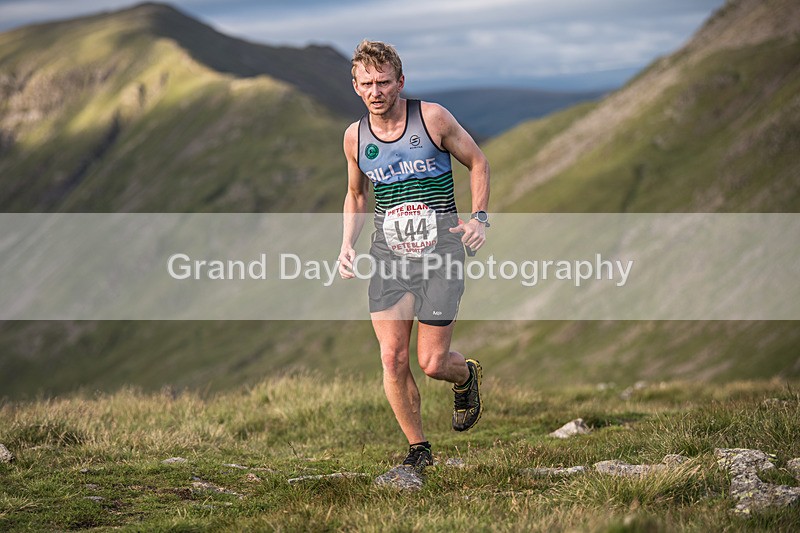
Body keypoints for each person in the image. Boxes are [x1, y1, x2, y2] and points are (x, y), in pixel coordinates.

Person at [338, 40, 491, 471]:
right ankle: (418, 450)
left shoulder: (432, 118)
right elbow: (355, 194)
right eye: (366, 83)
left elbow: (478, 162)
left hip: (441, 252)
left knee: (431, 362)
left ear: (400, 82)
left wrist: (479, 217)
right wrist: (347, 244)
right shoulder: (355, 137)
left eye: (384, 82)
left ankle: (465, 376)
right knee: (392, 357)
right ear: (355, 86)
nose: (376, 91)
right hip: (389, 255)